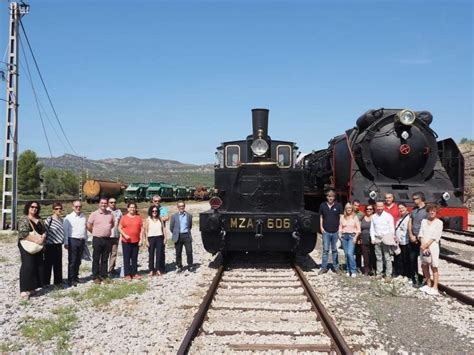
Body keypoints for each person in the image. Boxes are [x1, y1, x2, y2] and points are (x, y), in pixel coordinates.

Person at [17, 201, 46, 299]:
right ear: (28, 208)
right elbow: (23, 233)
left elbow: (44, 230)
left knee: (37, 265)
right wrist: (37, 240)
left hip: (38, 245)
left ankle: (32, 288)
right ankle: (24, 290)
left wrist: (43, 238)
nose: (34, 209)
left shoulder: (39, 219)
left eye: (36, 207)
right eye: (32, 207)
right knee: (27, 266)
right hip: (27, 245)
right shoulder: (24, 219)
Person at [87, 197, 115, 284]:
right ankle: (95, 276)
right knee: (96, 258)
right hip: (97, 239)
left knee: (105, 258)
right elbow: (89, 225)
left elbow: (112, 224)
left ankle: (104, 275)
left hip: (107, 239)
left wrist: (105, 231)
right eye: (102, 203)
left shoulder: (110, 214)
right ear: (99, 204)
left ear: (107, 204)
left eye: (105, 203)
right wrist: (95, 232)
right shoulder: (94, 214)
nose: (103, 205)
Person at [419, 204, 443, 296]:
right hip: (423, 246)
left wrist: (426, 245)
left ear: (436, 212)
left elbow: (435, 236)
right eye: (430, 210)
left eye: (434, 211)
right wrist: (422, 245)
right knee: (424, 265)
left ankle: (435, 287)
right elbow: (421, 234)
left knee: (434, 266)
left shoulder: (439, 223)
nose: (432, 212)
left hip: (433, 247)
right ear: (428, 211)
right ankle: (428, 284)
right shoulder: (424, 221)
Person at [63, 201, 88, 286]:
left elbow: (84, 230)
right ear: (72, 207)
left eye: (80, 206)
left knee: (78, 260)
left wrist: (86, 240)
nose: (78, 208)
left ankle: (76, 277)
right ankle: (71, 279)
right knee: (72, 261)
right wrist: (66, 242)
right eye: (76, 206)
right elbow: (66, 231)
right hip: (72, 240)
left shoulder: (83, 217)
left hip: (81, 241)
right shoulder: (68, 217)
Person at [318, 190, 343, 274]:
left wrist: (340, 229)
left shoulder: (338, 206)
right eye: (329, 196)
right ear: (327, 197)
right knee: (325, 250)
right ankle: (324, 267)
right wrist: (321, 227)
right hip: (326, 231)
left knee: (335, 250)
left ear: (334, 197)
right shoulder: (322, 205)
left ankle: (336, 267)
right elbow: (321, 217)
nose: (330, 198)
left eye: (332, 196)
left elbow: (341, 217)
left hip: (335, 231)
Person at [370, 201, 395, 277]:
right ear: (376, 207)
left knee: (387, 257)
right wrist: (372, 238)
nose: (379, 208)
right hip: (377, 238)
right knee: (378, 257)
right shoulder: (373, 216)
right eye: (378, 206)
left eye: (381, 206)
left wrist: (390, 238)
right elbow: (372, 228)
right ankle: (379, 273)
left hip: (386, 238)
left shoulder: (388, 216)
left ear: (383, 206)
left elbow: (392, 228)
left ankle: (388, 274)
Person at [119, 202, 143, 280]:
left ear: (135, 209)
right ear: (128, 209)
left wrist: (141, 239)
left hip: (136, 241)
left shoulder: (138, 217)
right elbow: (119, 228)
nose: (132, 209)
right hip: (126, 241)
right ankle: (127, 274)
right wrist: (125, 235)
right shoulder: (124, 217)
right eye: (131, 207)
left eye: (134, 207)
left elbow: (142, 228)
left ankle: (134, 273)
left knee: (134, 258)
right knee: (127, 258)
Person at [407, 192, 427, 286]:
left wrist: (420, 237)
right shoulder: (414, 210)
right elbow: (410, 222)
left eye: (415, 199)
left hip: (423, 239)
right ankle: (414, 277)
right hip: (413, 238)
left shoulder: (427, 210)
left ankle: (425, 279)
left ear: (421, 199)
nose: (414, 201)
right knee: (412, 259)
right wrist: (411, 235)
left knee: (424, 260)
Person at [44, 202, 65, 286]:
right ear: (53, 210)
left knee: (58, 264)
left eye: (60, 208)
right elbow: (44, 232)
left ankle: (58, 281)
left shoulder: (62, 220)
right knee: (48, 264)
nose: (58, 210)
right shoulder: (49, 220)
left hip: (58, 244)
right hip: (49, 245)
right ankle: (45, 282)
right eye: (56, 209)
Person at [170, 201, 193, 272]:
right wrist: (176, 233)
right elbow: (171, 227)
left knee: (189, 251)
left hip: (186, 235)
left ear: (184, 206)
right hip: (178, 236)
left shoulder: (189, 215)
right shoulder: (174, 216)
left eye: (182, 206)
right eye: (180, 206)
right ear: (178, 207)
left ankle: (190, 265)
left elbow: (190, 226)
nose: (181, 207)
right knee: (178, 252)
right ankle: (179, 266)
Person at [143, 205, 166, 276]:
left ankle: (158, 269)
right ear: (150, 211)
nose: (154, 212)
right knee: (151, 254)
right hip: (151, 238)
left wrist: (165, 238)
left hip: (159, 237)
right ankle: (151, 270)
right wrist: (146, 240)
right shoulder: (148, 219)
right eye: (153, 211)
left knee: (159, 254)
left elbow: (163, 229)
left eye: (156, 211)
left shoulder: (160, 219)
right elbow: (145, 231)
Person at [339, 203, 361, 277]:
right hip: (344, 237)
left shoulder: (355, 217)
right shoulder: (342, 217)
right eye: (347, 208)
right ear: (345, 209)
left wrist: (355, 237)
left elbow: (358, 229)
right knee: (346, 255)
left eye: (350, 208)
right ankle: (348, 270)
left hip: (352, 236)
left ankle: (353, 270)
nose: (349, 209)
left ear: (352, 209)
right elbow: (340, 227)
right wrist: (340, 236)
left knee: (350, 254)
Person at [151, 195, 169, 272]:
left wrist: (157, 218)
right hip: (151, 233)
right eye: (155, 201)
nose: (157, 202)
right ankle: (152, 268)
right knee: (151, 252)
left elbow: (167, 217)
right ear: (152, 201)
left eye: (158, 201)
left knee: (161, 251)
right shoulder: (151, 209)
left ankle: (161, 267)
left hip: (161, 232)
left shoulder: (163, 209)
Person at [394, 203, 410, 277]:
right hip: (398, 242)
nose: (401, 209)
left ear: (406, 208)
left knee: (405, 259)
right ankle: (400, 273)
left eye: (402, 208)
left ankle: (406, 274)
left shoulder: (409, 218)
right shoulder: (400, 218)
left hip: (405, 241)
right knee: (398, 258)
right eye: (399, 208)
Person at [107, 197, 122, 277]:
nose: (113, 204)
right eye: (111, 202)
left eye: (114, 202)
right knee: (105, 253)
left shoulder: (119, 211)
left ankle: (111, 269)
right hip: (107, 236)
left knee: (114, 253)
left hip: (116, 235)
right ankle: (103, 269)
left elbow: (121, 222)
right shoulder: (105, 211)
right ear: (108, 203)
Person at [360, 205, 375, 275]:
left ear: (373, 210)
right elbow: (359, 228)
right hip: (363, 238)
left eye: (370, 209)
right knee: (365, 255)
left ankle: (372, 269)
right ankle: (366, 269)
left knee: (372, 254)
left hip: (373, 239)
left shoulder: (375, 217)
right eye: (367, 209)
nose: (368, 210)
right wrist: (359, 238)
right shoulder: (362, 217)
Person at [352, 199, 364, 271]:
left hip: (357, 235)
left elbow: (362, 225)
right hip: (350, 235)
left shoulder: (361, 214)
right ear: (352, 205)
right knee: (350, 252)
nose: (356, 207)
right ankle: (350, 266)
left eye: (358, 206)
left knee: (358, 252)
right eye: (355, 205)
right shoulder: (348, 212)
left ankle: (358, 266)